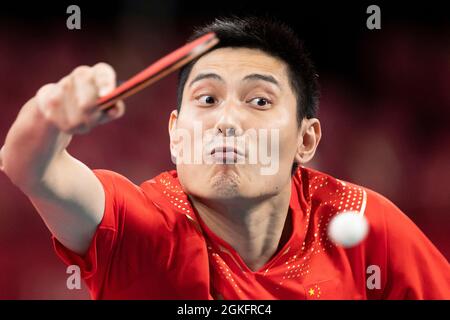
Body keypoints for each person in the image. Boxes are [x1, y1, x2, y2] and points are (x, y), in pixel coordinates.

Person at [0, 16, 448, 299]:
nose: (227, 121)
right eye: (208, 99)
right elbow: (28, 166)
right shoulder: (141, 227)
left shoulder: (365, 222)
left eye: (258, 101)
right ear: (175, 136)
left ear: (306, 141)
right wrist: (51, 112)